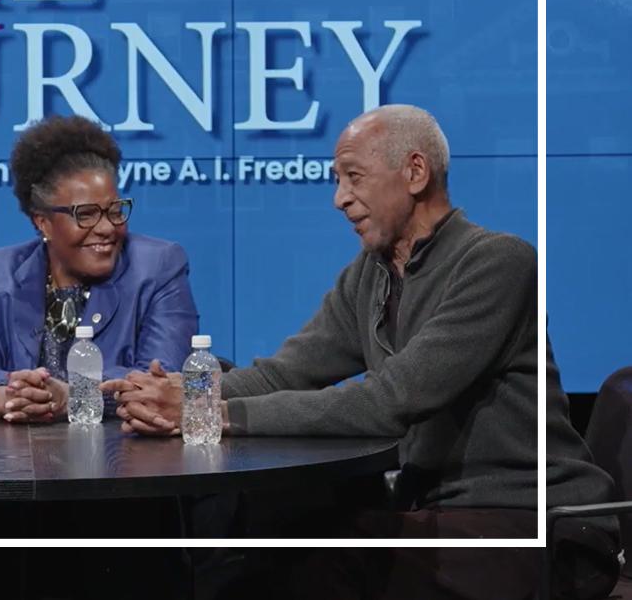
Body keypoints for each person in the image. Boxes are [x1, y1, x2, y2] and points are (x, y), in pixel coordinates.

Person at [103, 104, 620, 597]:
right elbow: (284, 373)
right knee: (255, 550)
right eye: (337, 180)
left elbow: (390, 400)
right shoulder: (370, 275)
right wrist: (178, 393)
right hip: (434, 514)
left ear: (415, 172)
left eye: (354, 177)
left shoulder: (497, 263)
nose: (339, 198)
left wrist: (214, 414)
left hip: (537, 524)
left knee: (299, 569)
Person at [0, 114, 198, 423]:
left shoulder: (159, 267)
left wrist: (73, 396)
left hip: (121, 448)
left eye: (115, 210)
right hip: (18, 451)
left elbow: (160, 380)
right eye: (86, 214)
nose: (107, 228)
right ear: (43, 222)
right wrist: (14, 397)